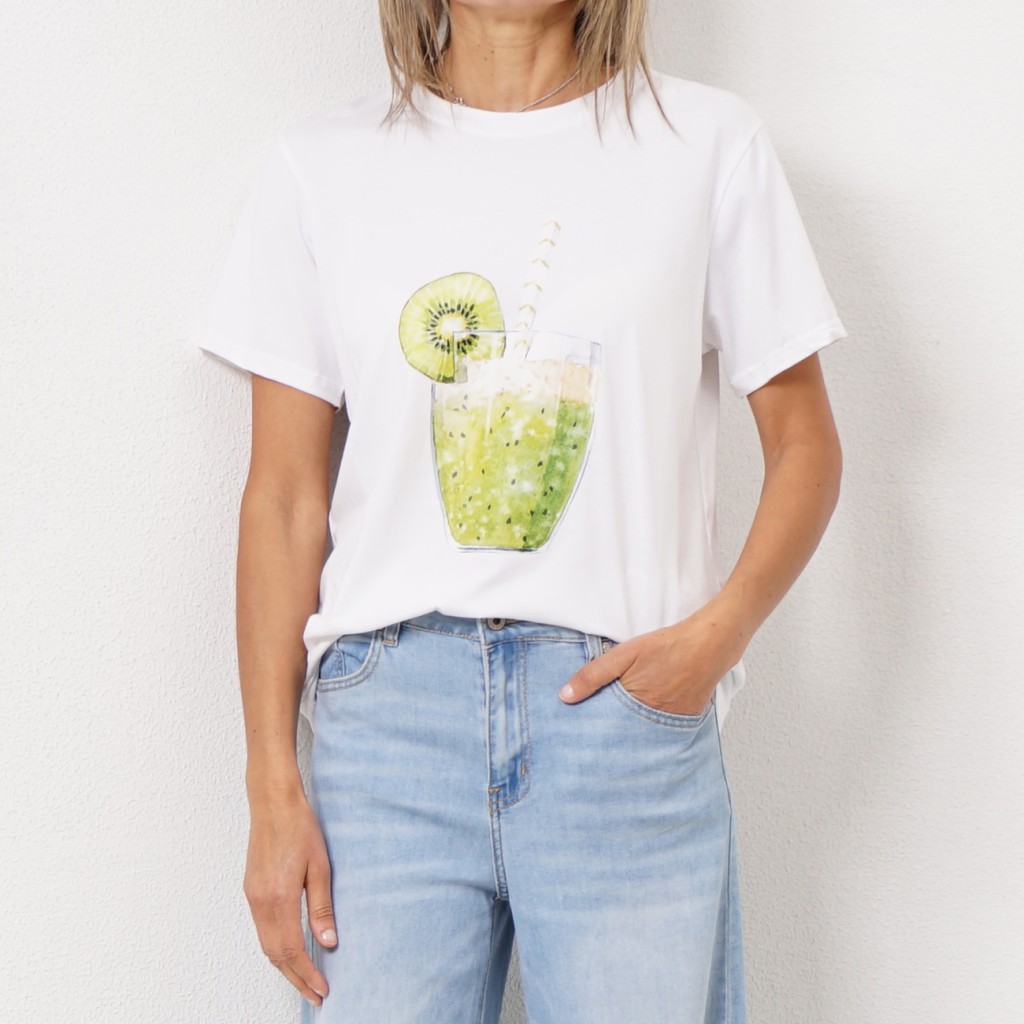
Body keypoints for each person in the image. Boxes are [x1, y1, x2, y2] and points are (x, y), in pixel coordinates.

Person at [194, 1, 848, 1020]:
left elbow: (805, 444)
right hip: (388, 733)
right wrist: (271, 781)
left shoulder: (707, 145)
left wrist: (716, 637)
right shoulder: (320, 166)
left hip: (620, 716)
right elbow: (282, 497)